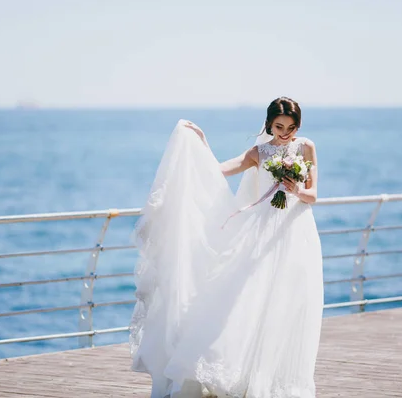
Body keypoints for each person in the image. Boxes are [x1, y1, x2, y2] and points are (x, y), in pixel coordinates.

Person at [129, 97, 324, 398]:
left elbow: (313, 194)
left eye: (291, 127)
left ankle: (274, 380)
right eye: (279, 127)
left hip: (296, 232)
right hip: (262, 230)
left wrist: (295, 188)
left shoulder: (306, 147)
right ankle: (243, 377)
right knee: (250, 298)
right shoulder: (259, 152)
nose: (285, 133)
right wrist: (201, 145)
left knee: (289, 301)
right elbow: (221, 169)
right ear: (269, 124)